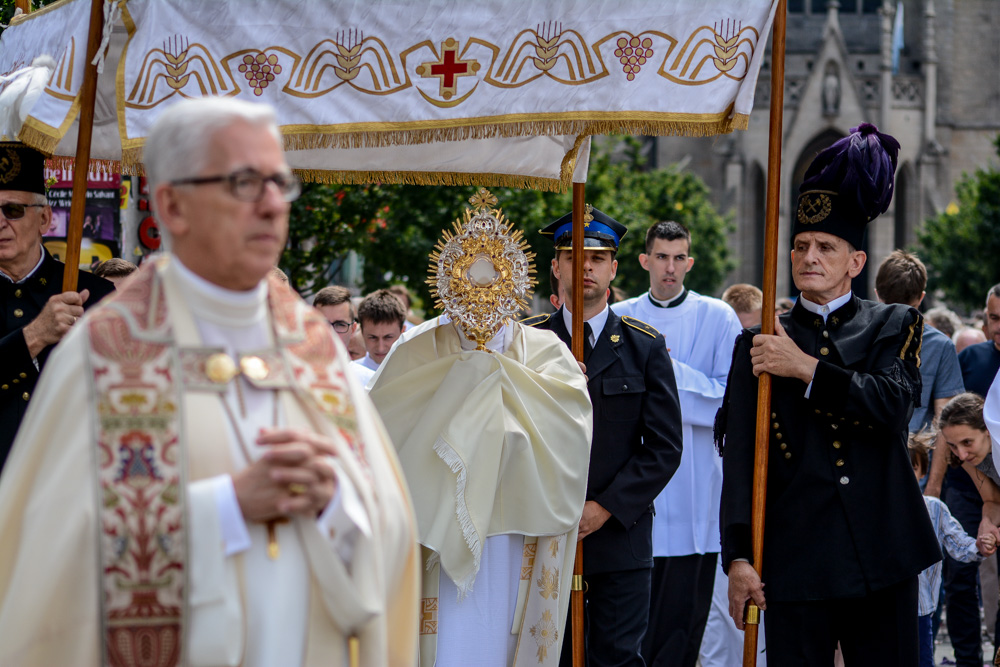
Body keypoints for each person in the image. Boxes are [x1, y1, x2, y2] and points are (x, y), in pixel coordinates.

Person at [0, 97, 419, 666]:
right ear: (173, 205)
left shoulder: (310, 346)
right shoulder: (105, 353)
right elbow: (47, 561)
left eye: (279, 182)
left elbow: (392, 524)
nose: (272, 205)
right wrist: (226, 507)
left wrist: (334, 504)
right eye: (244, 182)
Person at [718, 123, 941, 665]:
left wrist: (804, 368)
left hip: (881, 552)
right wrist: (739, 557)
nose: (809, 257)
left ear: (855, 262)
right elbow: (742, 455)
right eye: (800, 246)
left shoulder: (893, 324)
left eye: (825, 247)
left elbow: (892, 407)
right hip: (796, 557)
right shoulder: (759, 341)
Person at [369, 192, 593, 666]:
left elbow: (571, 437)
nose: (481, 301)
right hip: (435, 535)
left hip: (515, 536)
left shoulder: (547, 354)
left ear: (513, 284)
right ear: (450, 282)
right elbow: (381, 434)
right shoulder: (416, 350)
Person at [524, 206, 683, 667]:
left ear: (613, 268)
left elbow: (664, 448)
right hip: (543, 536)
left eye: (597, 258)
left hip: (620, 540)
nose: (586, 267)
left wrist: (605, 507)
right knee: (546, 658)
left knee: (617, 659)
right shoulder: (527, 344)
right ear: (556, 268)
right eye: (573, 257)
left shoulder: (643, 345)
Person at [612, 220, 743, 667]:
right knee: (628, 633)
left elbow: (728, 402)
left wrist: (666, 371)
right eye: (661, 257)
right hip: (633, 493)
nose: (670, 267)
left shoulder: (717, 317)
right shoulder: (621, 316)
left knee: (681, 633)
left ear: (690, 262)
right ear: (644, 260)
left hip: (694, 494)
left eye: (679, 258)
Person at [0, 141, 115, 469]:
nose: (0, 222)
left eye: (13, 210)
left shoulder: (95, 294)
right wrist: (36, 334)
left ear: (45, 219)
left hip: (65, 479)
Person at [874, 250, 965, 498]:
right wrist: (933, 487)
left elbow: (944, 421)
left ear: (877, 293)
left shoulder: (859, 338)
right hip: (916, 473)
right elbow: (944, 421)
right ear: (922, 296)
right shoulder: (942, 345)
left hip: (873, 468)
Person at [908, 432, 993, 667]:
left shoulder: (934, 508)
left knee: (921, 660)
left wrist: (979, 546)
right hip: (880, 610)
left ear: (922, 472)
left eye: (911, 468)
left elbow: (959, 543)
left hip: (920, 609)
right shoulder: (873, 509)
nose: (904, 475)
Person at [353, 288, 406, 386]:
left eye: (388, 337)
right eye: (372, 337)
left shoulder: (416, 373)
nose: (380, 348)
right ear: (362, 332)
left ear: (402, 331)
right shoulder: (349, 375)